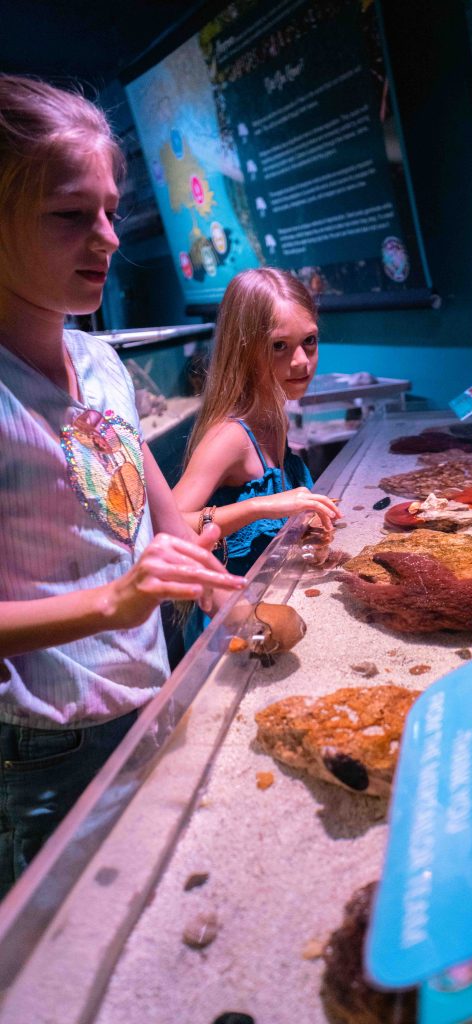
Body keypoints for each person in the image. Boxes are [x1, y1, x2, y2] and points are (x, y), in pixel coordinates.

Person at [0, 74, 246, 898]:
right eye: (71, 216)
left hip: (150, 692)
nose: (107, 238)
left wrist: (226, 595)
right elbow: (127, 588)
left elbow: (165, 525)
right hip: (46, 744)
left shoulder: (103, 362)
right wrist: (116, 602)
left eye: (110, 210)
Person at [173, 267, 341, 638]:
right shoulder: (230, 436)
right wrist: (260, 507)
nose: (300, 361)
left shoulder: (274, 416)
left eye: (309, 341)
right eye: (279, 346)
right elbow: (165, 527)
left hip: (268, 611)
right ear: (245, 349)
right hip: (231, 627)